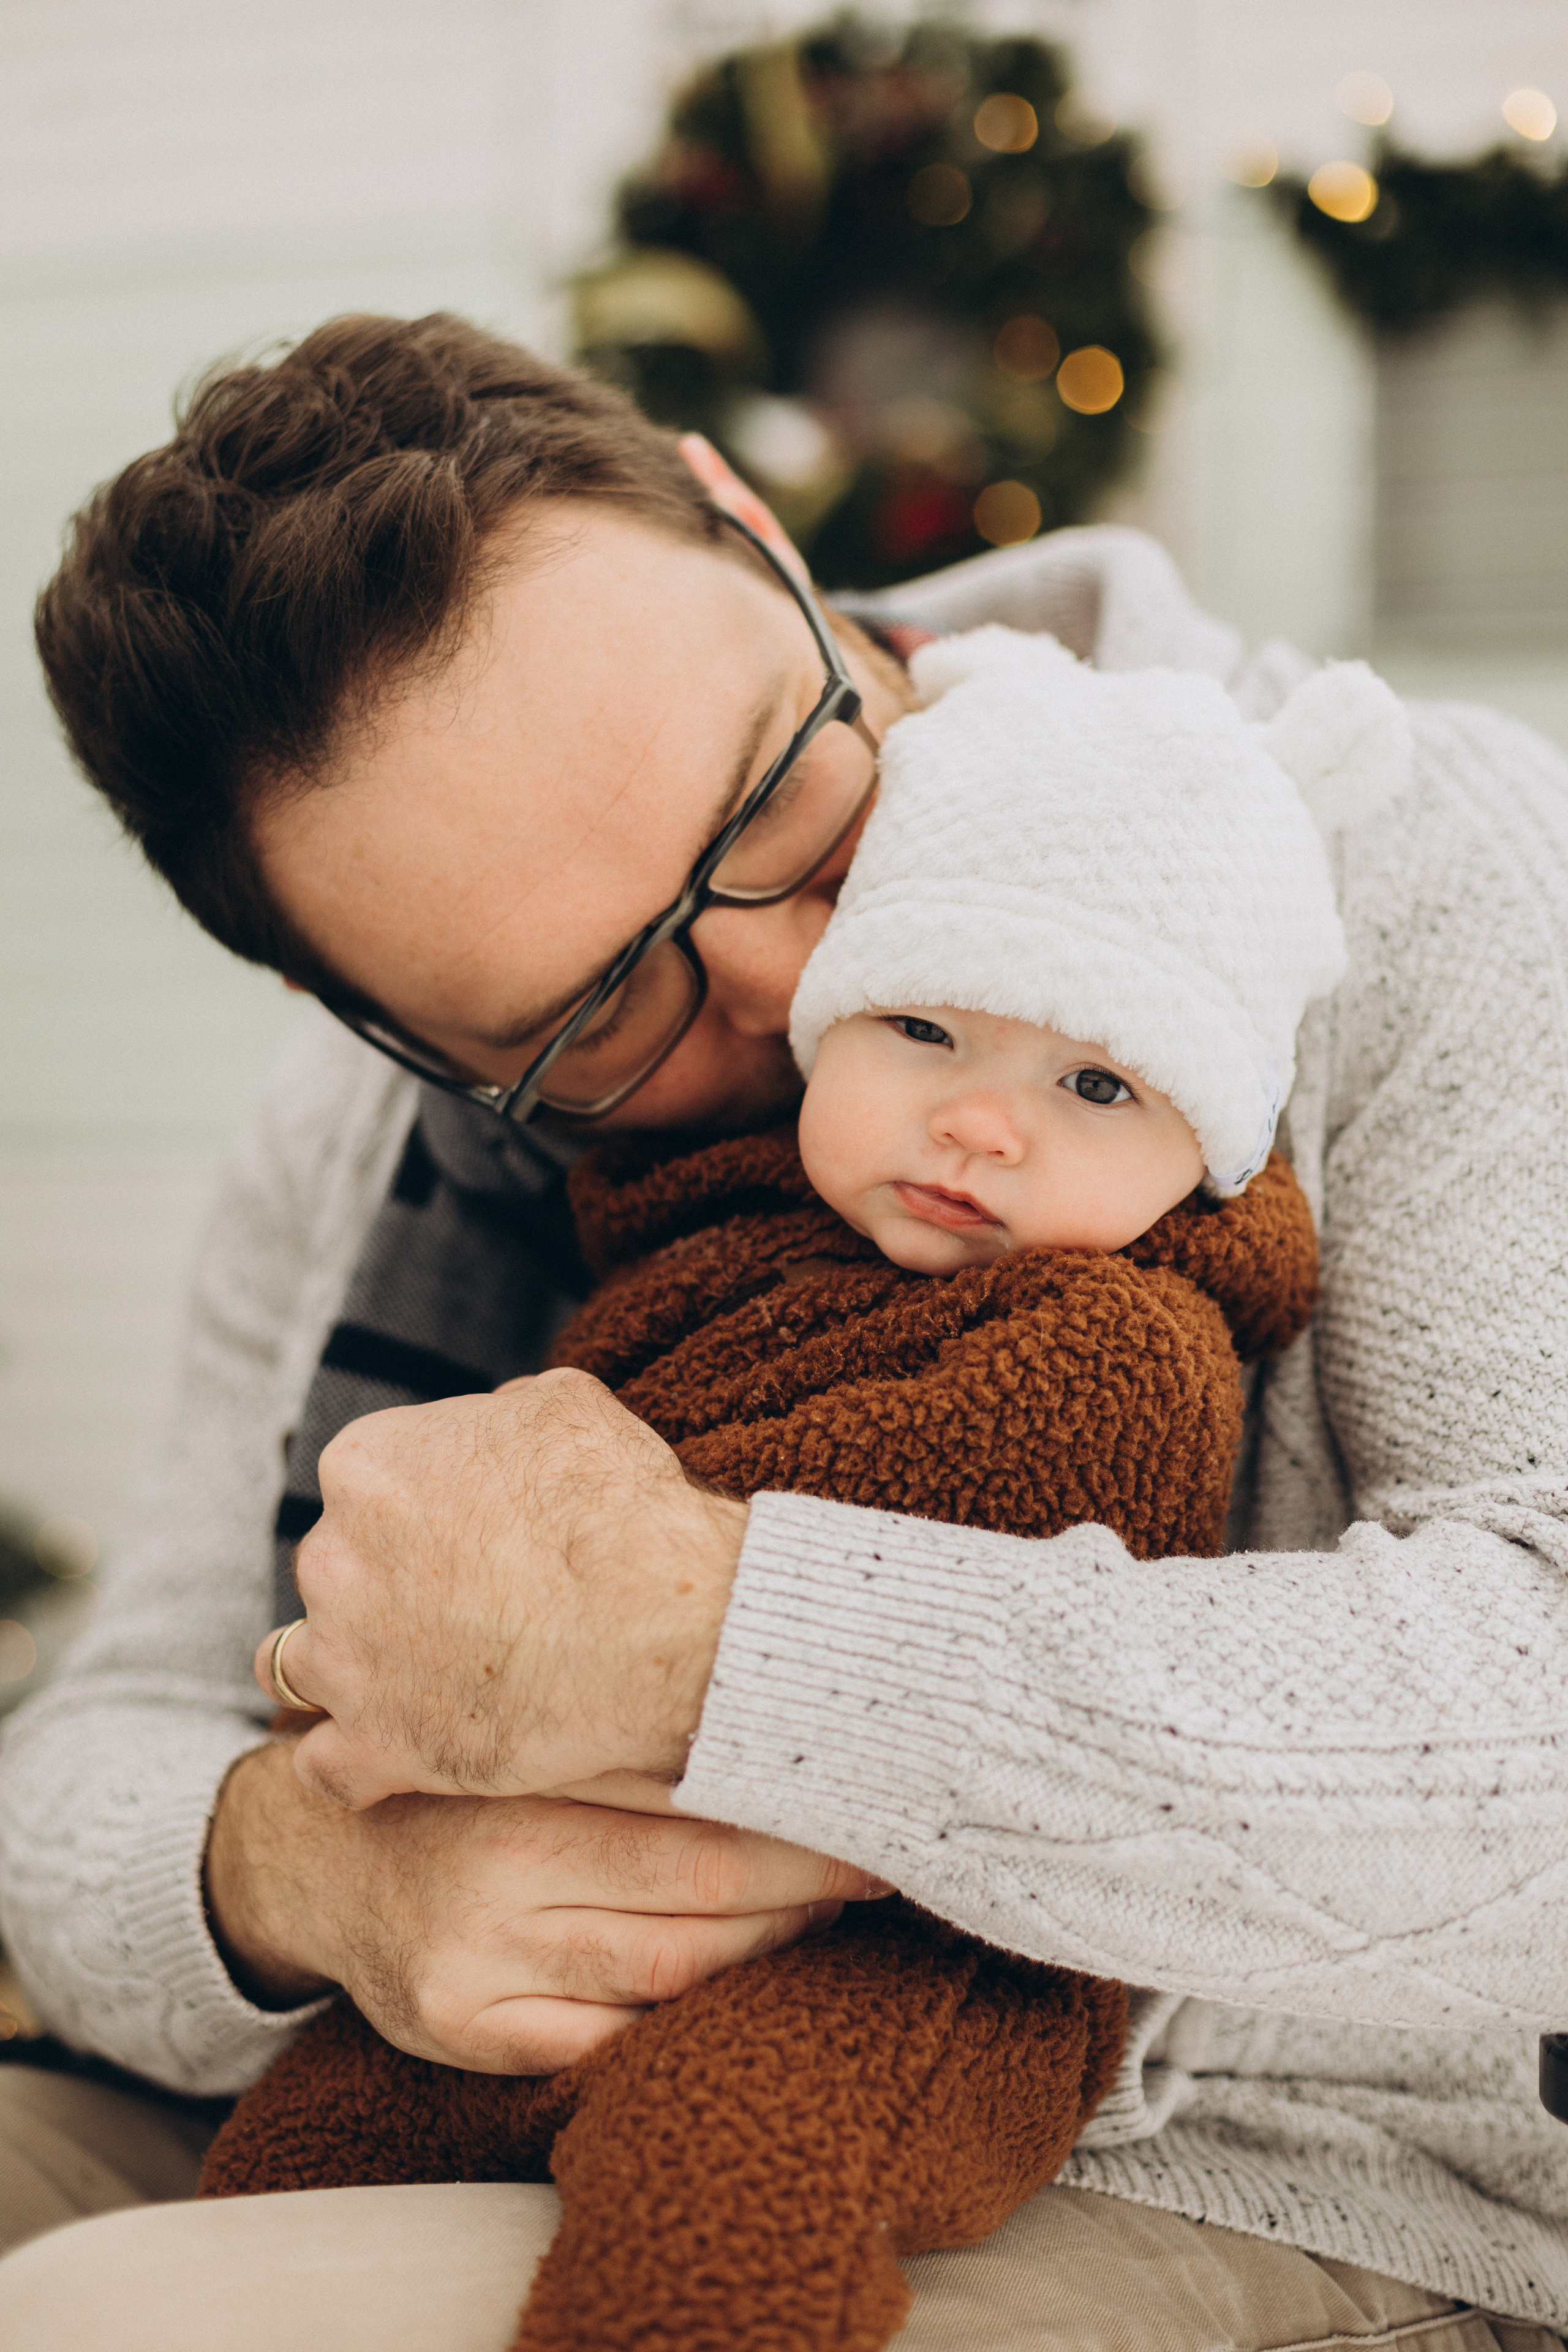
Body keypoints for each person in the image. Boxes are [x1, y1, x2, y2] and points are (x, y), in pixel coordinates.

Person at [1, 311, 1566, 2352]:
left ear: (749, 523)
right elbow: (95, 1755)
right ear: (378, 1025)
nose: (791, 963)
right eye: (596, 1013)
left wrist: (725, 1648)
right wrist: (303, 1875)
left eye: (776, 795)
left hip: (1204, 2147)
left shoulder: (1399, 864)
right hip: (427, 2083)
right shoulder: (361, 1136)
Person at [197, 631, 1338, 2352]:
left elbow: (860, 1515)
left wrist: (576, 1593)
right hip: (567, 1889)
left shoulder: (1122, 1337)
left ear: (1211, 1135)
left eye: (1096, 1083)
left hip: (903, 1958)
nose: (979, 1124)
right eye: (924, 1027)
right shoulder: (703, 1228)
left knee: (732, 2180)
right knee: (314, 2134)